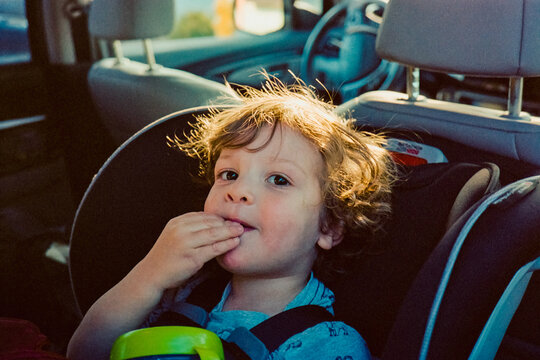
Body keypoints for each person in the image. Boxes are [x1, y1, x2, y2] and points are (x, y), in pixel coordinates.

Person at [67, 76, 395, 360]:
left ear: (328, 227)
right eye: (228, 173)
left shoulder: (328, 344)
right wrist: (150, 275)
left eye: (279, 180)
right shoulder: (182, 291)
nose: (238, 192)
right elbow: (85, 354)